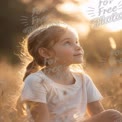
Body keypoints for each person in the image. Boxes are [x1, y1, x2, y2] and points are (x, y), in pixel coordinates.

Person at [19, 23, 122, 122]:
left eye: (77, 42)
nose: (78, 47)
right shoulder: (36, 81)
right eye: (67, 42)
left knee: (112, 117)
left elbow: (99, 115)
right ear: (46, 53)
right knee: (112, 115)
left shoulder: (83, 80)